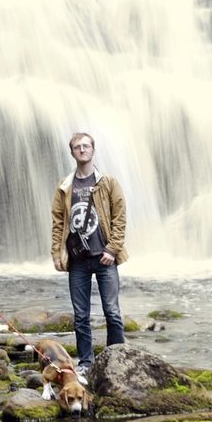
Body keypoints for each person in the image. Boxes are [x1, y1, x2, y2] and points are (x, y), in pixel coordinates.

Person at [49, 130, 127, 381]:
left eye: (86, 146)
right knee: (81, 315)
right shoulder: (65, 186)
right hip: (78, 260)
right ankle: (85, 361)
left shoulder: (108, 183)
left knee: (112, 311)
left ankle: (116, 356)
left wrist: (112, 249)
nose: (82, 150)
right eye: (77, 147)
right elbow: (58, 222)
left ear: (93, 150)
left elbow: (120, 218)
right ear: (72, 152)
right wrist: (56, 254)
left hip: (105, 257)